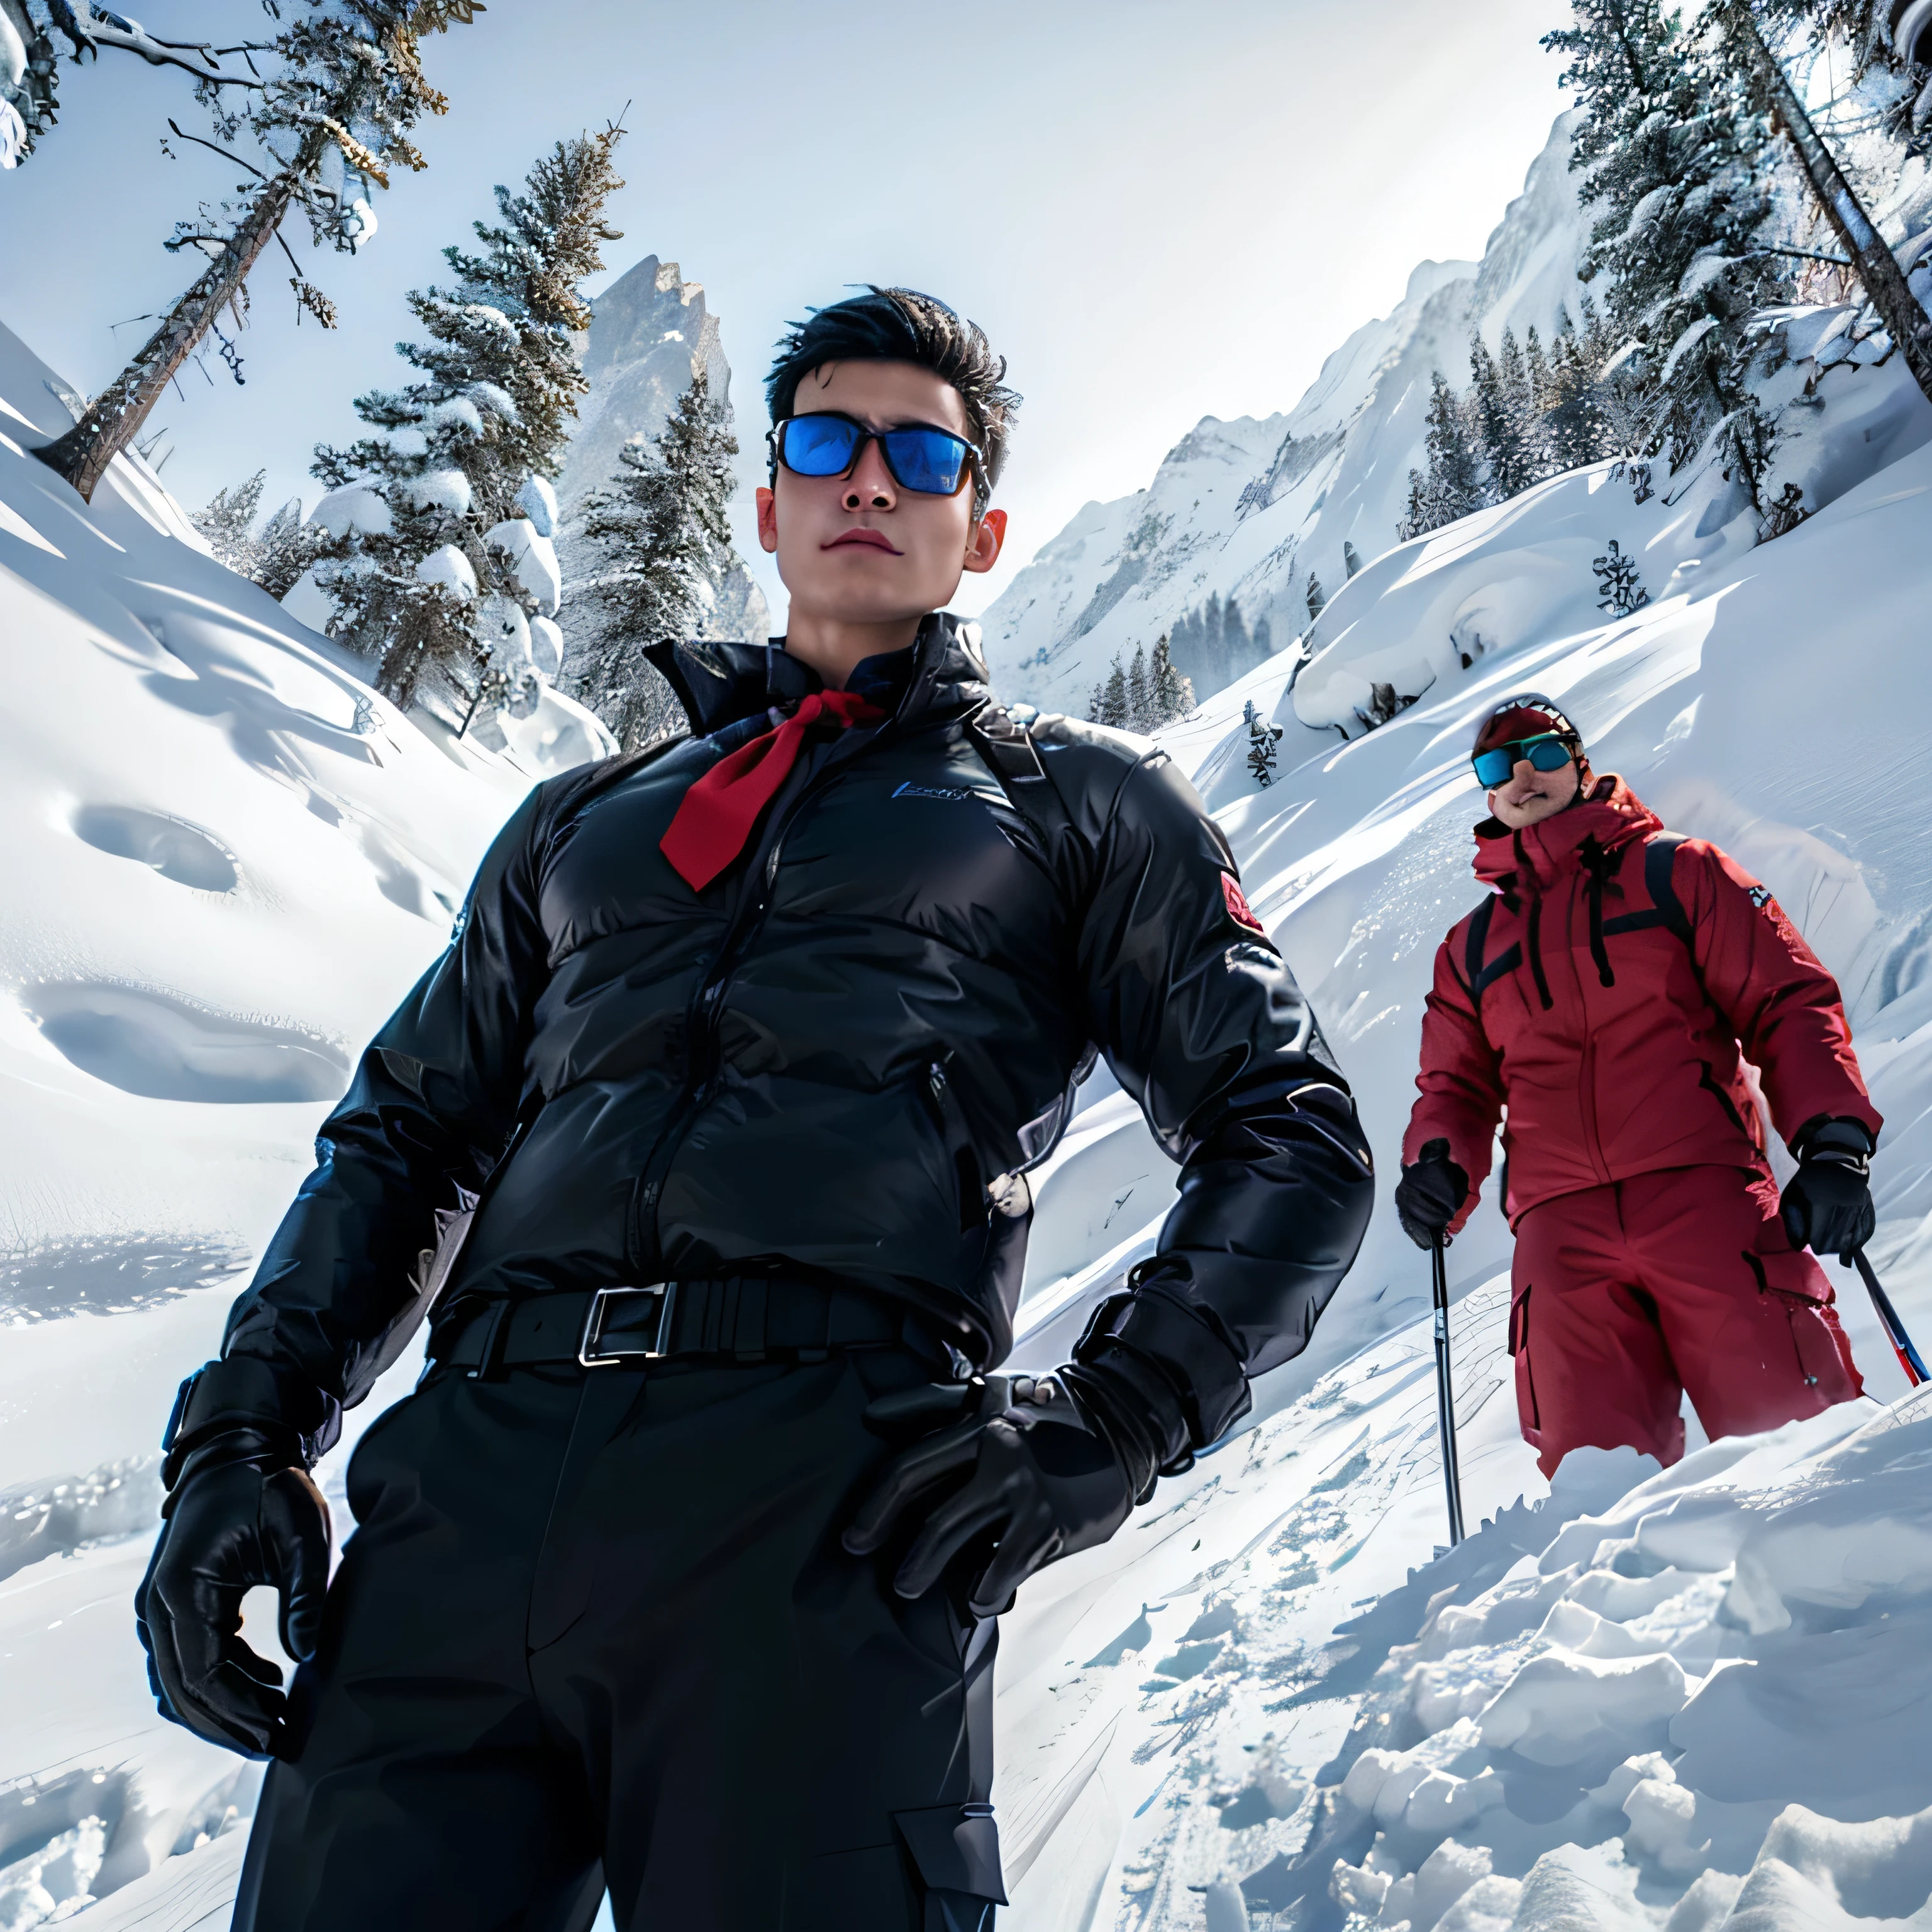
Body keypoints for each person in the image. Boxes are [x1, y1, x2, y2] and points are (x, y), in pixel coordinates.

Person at [134, 287, 1375, 1932]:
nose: (871, 477)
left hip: (823, 1523)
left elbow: (1290, 1131)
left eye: (921, 450)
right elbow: (403, 1140)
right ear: (771, 502)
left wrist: (1109, 1424)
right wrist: (240, 1439)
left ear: (977, 525)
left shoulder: (1080, 806)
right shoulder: (576, 824)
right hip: (460, 1515)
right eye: (827, 439)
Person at [1395, 692, 1880, 1479]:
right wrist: (1438, 1164)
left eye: (1544, 753)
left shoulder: (1680, 873)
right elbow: (1452, 1086)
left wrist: (1834, 1142)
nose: (1523, 775)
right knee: (1598, 1501)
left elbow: (1787, 1000)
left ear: (1581, 766)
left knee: (1801, 1457)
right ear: (1485, 795)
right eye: (1497, 765)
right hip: (1561, 1244)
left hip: (1706, 1200)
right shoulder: (1472, 948)